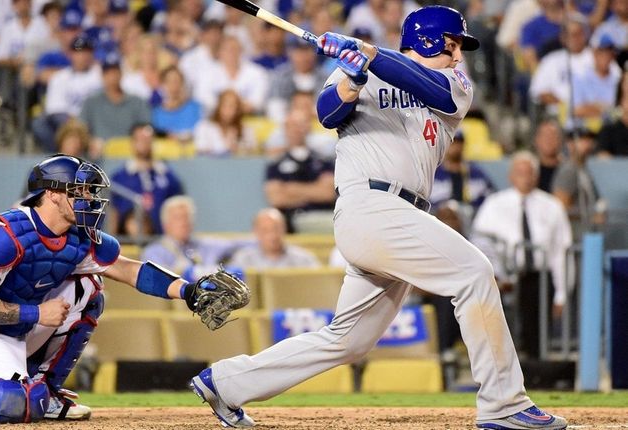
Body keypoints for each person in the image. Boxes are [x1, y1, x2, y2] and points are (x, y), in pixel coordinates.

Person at [188, 6, 567, 430]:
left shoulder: (455, 83)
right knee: (475, 273)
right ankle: (504, 404)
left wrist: (369, 55)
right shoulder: (363, 69)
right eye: (453, 45)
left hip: (400, 216)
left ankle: (225, 383)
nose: (459, 55)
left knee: (348, 340)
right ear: (429, 39)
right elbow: (327, 112)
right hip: (369, 207)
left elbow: (434, 92)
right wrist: (353, 78)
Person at [0, 154, 235, 423]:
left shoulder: (79, 237)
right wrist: (35, 314)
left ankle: (48, 390)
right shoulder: (5, 236)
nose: (89, 198)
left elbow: (129, 270)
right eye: (80, 190)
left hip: (11, 329)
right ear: (53, 195)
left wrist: (188, 291)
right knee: (15, 402)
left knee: (90, 289)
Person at [472, 151, 572, 360]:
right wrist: (496, 275)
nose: (525, 177)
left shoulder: (552, 206)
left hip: (539, 279)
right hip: (504, 279)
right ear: (510, 176)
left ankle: (535, 375)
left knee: (537, 335)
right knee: (502, 333)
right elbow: (479, 243)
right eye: (520, 172)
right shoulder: (494, 204)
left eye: (529, 173)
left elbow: (561, 251)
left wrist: (561, 293)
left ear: (536, 176)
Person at [264, 108, 336, 233]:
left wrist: (291, 189)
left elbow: (328, 193)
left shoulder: (323, 161)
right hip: (291, 219)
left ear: (308, 127)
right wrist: (314, 189)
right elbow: (277, 198)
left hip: (322, 215)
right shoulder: (276, 164)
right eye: (292, 125)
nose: (297, 130)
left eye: (301, 125)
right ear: (285, 129)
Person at [108, 123, 184, 236]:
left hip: (162, 240)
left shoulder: (168, 176)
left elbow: (176, 210)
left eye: (147, 139)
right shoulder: (119, 177)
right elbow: (114, 213)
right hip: (128, 241)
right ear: (132, 142)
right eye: (139, 139)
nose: (144, 143)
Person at [141, 196, 235, 276]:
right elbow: (157, 281)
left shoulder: (203, 245)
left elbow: (235, 244)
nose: (184, 223)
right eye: (178, 218)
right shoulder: (155, 252)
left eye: (187, 217)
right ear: (165, 224)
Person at [429, 129, 494, 221]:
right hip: (439, 217)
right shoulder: (434, 172)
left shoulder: (476, 173)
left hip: (471, 218)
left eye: (459, 143)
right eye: (452, 142)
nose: (455, 146)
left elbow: (489, 197)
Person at [228, 208, 319, 269]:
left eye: (276, 228)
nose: (272, 235)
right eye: (265, 230)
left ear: (284, 229)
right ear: (255, 231)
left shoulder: (304, 259)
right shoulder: (243, 259)